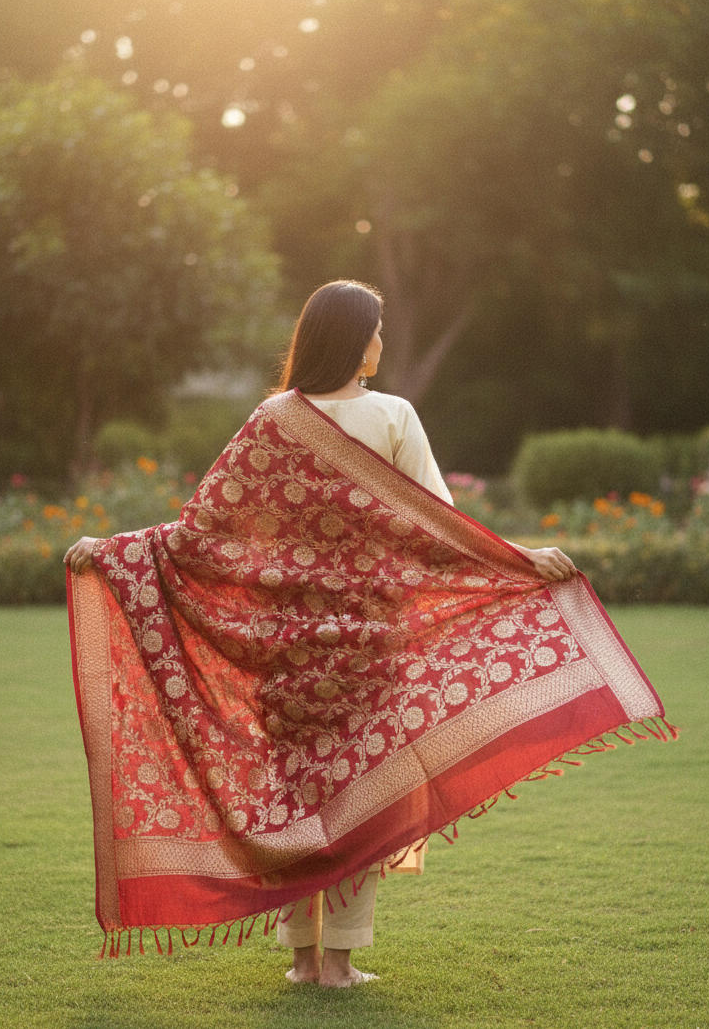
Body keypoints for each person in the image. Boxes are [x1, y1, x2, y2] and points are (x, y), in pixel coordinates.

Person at [66, 280, 578, 987]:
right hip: (369, 645)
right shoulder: (393, 416)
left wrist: (115, 548)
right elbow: (441, 526)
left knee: (297, 801)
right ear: (353, 341)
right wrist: (522, 562)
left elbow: (203, 531)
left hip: (285, 651)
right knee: (359, 805)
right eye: (375, 331)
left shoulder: (276, 419)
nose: (381, 343)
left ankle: (303, 961)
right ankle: (339, 961)